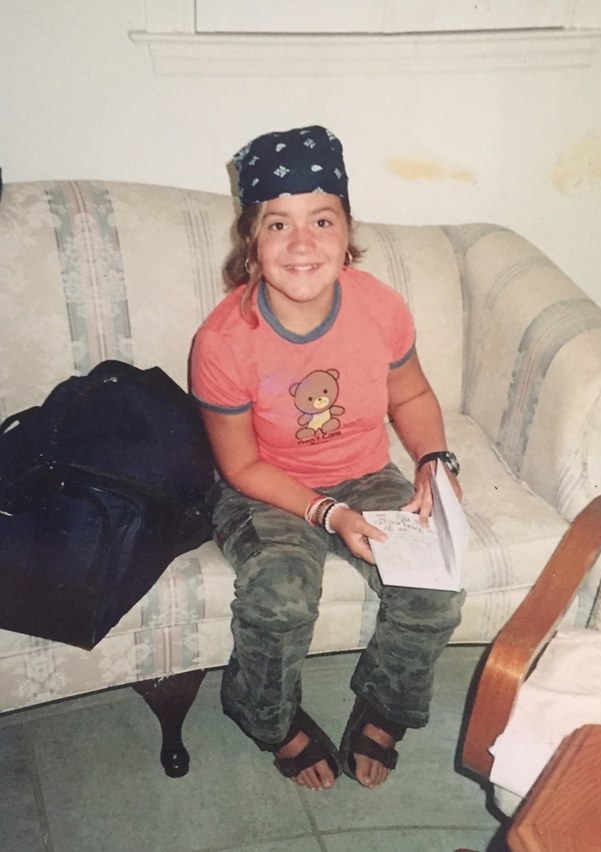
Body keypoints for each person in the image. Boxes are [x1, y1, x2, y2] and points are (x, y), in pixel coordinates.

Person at [190, 125, 465, 792]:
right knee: (280, 593)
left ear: (346, 233)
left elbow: (415, 394)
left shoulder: (378, 306)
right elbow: (240, 467)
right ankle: (263, 715)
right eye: (278, 224)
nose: (302, 242)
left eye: (321, 219)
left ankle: (383, 706)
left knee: (434, 587)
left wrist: (433, 458)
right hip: (265, 487)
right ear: (250, 243)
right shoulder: (223, 341)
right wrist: (329, 514)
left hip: (367, 472)